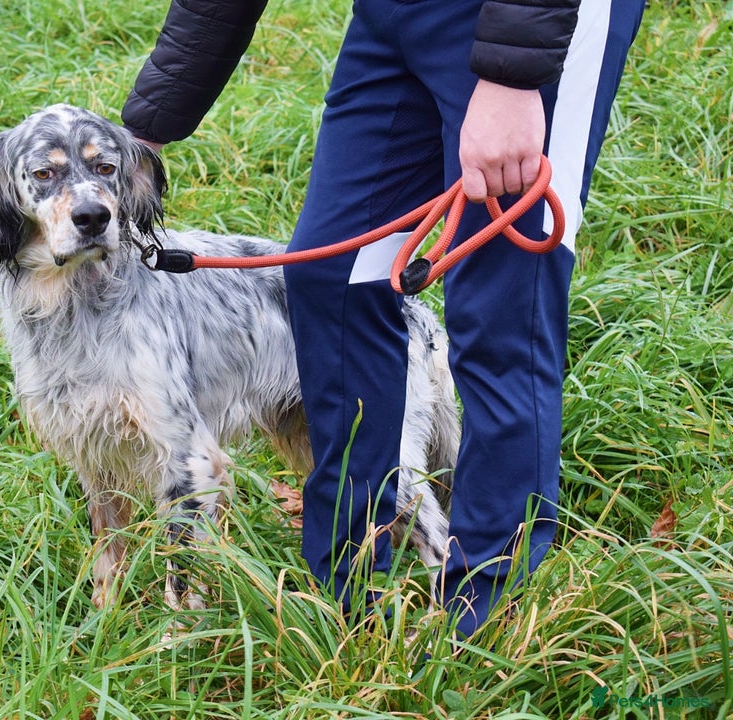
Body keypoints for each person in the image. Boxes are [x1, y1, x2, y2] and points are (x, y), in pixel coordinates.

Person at [121, 0, 646, 636]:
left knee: (501, 315)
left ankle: (485, 629)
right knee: (332, 281)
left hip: (530, 23)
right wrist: (138, 136)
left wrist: (513, 77)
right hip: (396, 13)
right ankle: (346, 598)